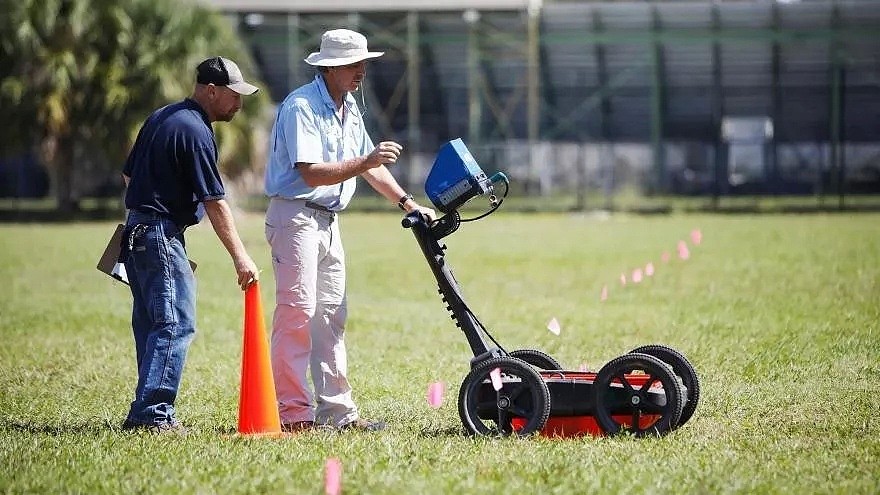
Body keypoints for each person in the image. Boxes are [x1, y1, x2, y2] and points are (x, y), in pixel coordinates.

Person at [264, 29, 436, 432]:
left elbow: (371, 166)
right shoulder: (301, 106)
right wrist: (364, 162)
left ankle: (338, 414)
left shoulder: (350, 108)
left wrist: (407, 203)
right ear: (331, 67)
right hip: (296, 218)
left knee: (331, 316)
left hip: (327, 221)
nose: (362, 71)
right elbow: (310, 173)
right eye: (354, 64)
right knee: (297, 314)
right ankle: (293, 415)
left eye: (363, 63)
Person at [120, 56, 261, 434]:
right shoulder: (196, 132)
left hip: (136, 231)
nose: (239, 104)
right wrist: (241, 256)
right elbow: (215, 202)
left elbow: (128, 175)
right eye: (234, 96)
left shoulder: (162, 117)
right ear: (211, 91)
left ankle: (145, 409)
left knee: (151, 323)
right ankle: (153, 415)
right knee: (175, 323)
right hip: (159, 233)